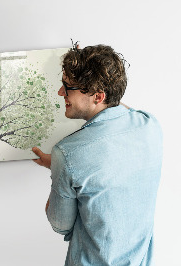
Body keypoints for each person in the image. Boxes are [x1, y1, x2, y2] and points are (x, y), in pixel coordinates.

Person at [32, 44, 162, 265]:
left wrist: (60, 169)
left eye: (68, 86)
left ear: (98, 96)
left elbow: (60, 225)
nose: (60, 92)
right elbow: (117, 107)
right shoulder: (150, 125)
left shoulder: (67, 153)